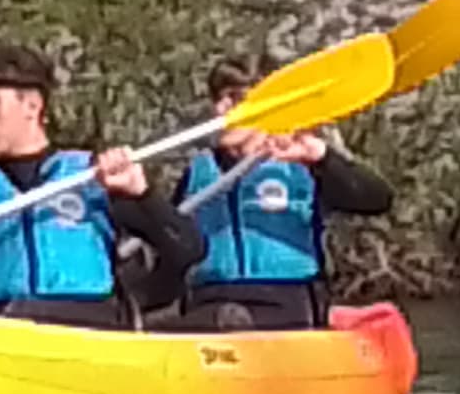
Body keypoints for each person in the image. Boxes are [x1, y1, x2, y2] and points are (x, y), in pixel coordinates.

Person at [0, 43, 202, 329]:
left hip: (89, 332)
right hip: (5, 333)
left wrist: (143, 196)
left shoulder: (94, 180)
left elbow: (188, 250)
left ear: (32, 106)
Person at [163, 53, 393, 330]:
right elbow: (169, 249)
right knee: (210, 319)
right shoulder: (197, 173)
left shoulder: (303, 167)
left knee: (227, 319)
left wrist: (321, 157)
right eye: (218, 98)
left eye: (235, 99)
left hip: (288, 304)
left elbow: (378, 199)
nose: (221, 110)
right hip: (208, 302)